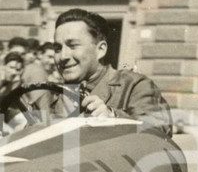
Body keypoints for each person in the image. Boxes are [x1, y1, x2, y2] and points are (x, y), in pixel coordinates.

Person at [48, 8, 172, 136]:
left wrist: (113, 117)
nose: (63, 56)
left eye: (73, 45)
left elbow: (158, 133)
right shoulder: (49, 96)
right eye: (57, 48)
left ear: (100, 50)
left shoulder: (135, 86)